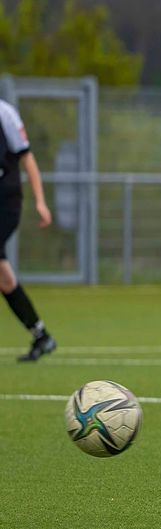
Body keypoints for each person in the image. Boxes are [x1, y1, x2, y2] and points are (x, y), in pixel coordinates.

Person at [1, 98, 57, 361]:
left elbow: (28, 158)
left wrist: (41, 202)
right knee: (5, 279)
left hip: (6, 203)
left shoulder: (4, 113)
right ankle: (41, 335)